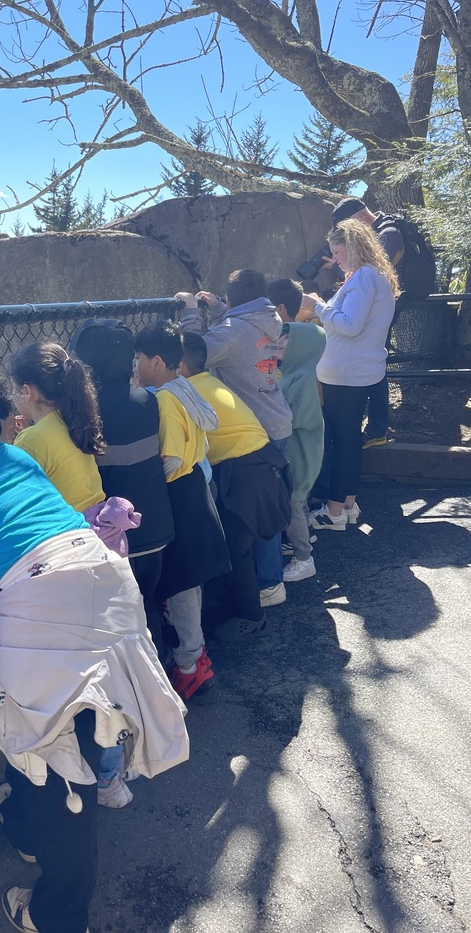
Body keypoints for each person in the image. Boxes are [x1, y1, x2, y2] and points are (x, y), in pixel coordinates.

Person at [0, 377, 189, 933]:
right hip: (101, 575)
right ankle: (33, 835)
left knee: (54, 755)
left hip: (37, 603)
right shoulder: (16, 456)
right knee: (74, 735)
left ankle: (59, 914)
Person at [9, 339, 138, 809]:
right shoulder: (70, 423)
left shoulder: (32, 441)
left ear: (26, 391)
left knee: (75, 684)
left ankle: (88, 780)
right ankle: (113, 773)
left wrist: (16, 440)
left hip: (64, 563)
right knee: (105, 674)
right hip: (102, 553)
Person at [177, 270, 293, 606]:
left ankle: (269, 583)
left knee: (252, 513)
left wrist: (189, 311)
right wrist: (219, 311)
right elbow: (233, 338)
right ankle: (272, 575)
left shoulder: (233, 330)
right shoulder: (271, 319)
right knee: (269, 505)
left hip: (254, 430)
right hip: (277, 416)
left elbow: (196, 353)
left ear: (231, 300)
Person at [133, 320, 231, 692]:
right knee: (187, 580)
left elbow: (170, 458)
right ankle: (194, 652)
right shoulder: (184, 388)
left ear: (157, 361)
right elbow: (198, 447)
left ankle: (191, 664)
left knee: (181, 582)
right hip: (195, 487)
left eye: (139, 358)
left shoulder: (164, 400)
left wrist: (148, 480)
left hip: (176, 490)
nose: (135, 366)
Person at [69, 318, 175, 651]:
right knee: (147, 606)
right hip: (154, 526)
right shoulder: (146, 399)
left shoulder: (81, 410)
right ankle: (165, 679)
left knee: (118, 619)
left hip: (113, 536)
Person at [299, 219, 399, 530]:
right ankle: (348, 504)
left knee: (342, 442)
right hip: (360, 372)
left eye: (337, 250)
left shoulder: (364, 278)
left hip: (343, 374)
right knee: (351, 441)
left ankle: (335, 512)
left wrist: (317, 306)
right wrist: (343, 271)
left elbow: (349, 324)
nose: (335, 257)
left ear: (353, 246)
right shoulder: (373, 276)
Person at [329, 197, 405, 448]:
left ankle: (376, 429)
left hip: (376, 312)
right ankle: (375, 429)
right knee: (375, 363)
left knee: (375, 366)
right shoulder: (372, 266)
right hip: (377, 308)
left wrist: (321, 307)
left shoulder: (387, 235)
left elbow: (351, 324)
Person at [267, 279, 327, 581]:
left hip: (301, 453)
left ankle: (305, 559)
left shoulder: (301, 379)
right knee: (297, 502)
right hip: (299, 451)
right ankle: (302, 544)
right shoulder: (294, 372)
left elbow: (295, 419)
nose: (278, 347)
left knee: (294, 501)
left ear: (301, 347)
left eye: (283, 343)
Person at [8, 341, 105, 512]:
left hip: (67, 533)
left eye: (13, 388)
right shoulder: (72, 417)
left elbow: (15, 497)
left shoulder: (32, 439)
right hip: (98, 526)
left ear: (26, 391)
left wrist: (8, 444)